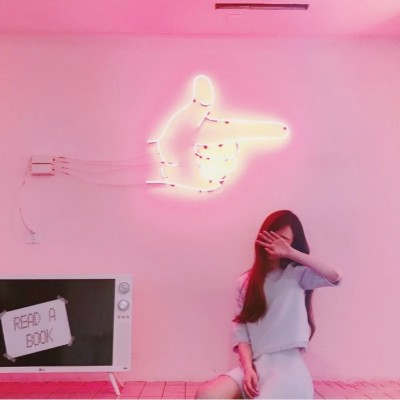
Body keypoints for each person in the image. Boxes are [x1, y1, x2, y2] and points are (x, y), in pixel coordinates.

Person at [196, 210, 342, 399]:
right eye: (271, 236)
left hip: (287, 369)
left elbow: (335, 275)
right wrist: (248, 369)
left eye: (283, 240)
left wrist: (291, 253)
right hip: (255, 366)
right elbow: (241, 332)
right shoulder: (245, 282)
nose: (275, 244)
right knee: (206, 395)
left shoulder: (297, 275)